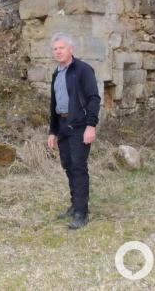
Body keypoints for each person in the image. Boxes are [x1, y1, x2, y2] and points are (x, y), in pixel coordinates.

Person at [46, 32, 101, 229]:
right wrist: (53, 131)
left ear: (71, 49)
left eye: (61, 48)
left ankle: (81, 212)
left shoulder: (83, 70)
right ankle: (75, 204)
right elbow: (55, 104)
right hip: (62, 126)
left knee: (78, 167)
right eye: (55, 49)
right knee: (68, 165)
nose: (58, 51)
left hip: (80, 126)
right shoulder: (57, 73)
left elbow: (94, 98)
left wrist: (91, 125)